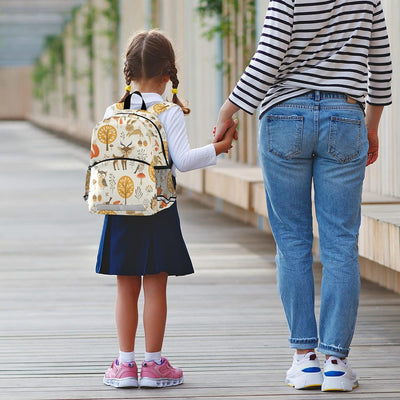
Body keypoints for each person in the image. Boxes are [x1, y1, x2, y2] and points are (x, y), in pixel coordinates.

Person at [214, 0, 392, 392]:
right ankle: (336, 364)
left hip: (284, 115)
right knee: (340, 243)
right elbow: (381, 68)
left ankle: (305, 361)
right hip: (346, 116)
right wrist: (372, 125)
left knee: (292, 241)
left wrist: (228, 111)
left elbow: (268, 56)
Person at [96, 30, 237, 389]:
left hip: (120, 210)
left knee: (125, 289)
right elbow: (185, 161)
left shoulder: (114, 110)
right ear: (167, 74)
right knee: (156, 289)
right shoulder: (167, 111)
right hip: (158, 208)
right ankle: (155, 364)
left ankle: (125, 366)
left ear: (128, 72)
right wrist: (218, 148)